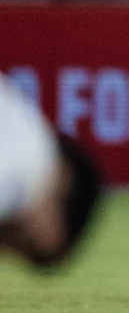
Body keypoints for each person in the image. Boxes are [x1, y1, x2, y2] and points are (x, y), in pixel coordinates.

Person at [0, 75, 100, 267]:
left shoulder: (28, 131)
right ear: (64, 182)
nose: (6, 248)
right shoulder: (24, 168)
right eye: (28, 240)